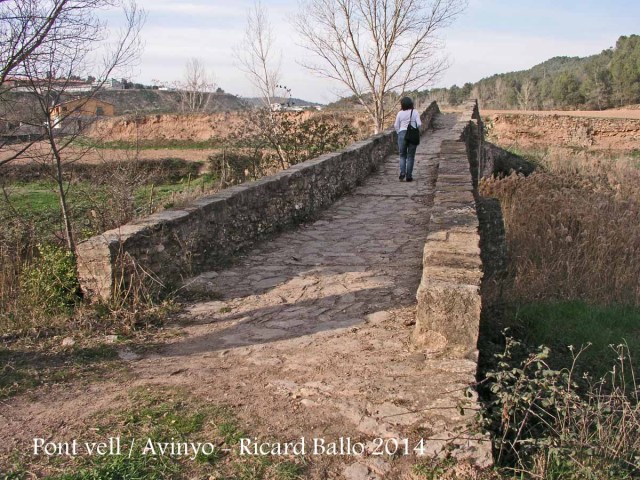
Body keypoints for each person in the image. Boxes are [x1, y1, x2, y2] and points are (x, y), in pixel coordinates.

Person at [393, 97, 421, 182]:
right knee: (410, 156)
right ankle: (409, 176)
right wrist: (415, 129)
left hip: (402, 134)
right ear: (411, 103)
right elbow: (419, 123)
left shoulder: (400, 113)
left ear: (402, 104)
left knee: (402, 155)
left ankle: (402, 173)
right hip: (412, 135)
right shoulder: (415, 112)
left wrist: (399, 132)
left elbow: (396, 125)